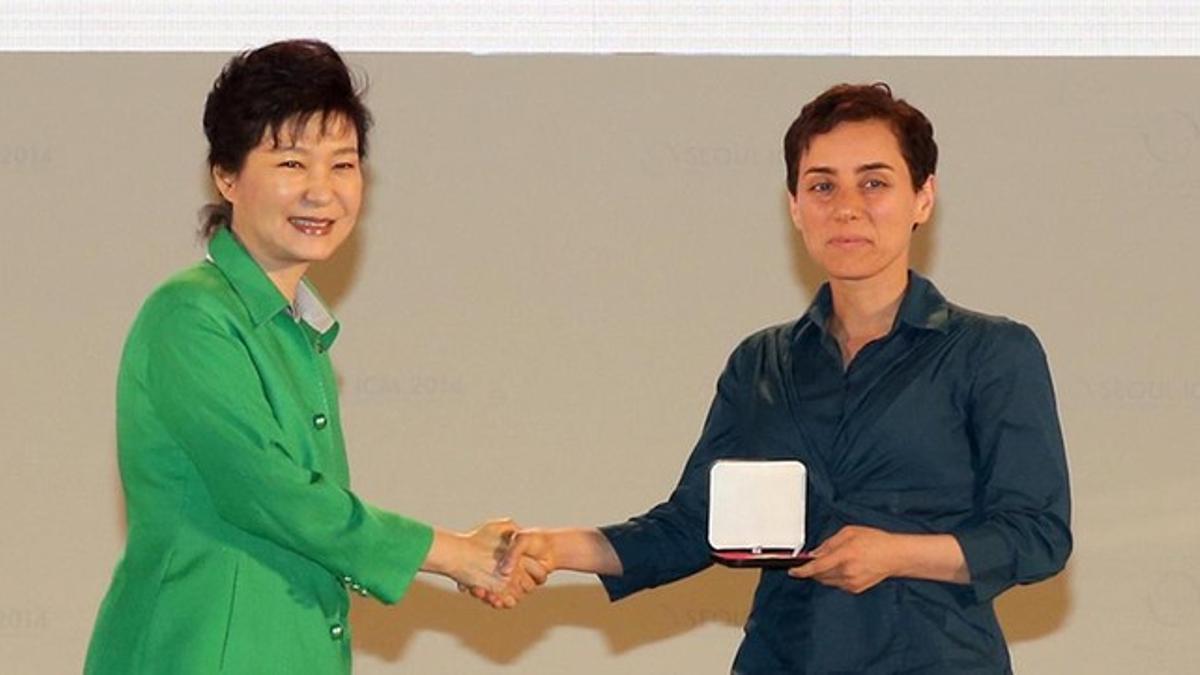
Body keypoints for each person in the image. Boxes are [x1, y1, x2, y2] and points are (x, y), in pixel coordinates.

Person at [497, 82, 1072, 673]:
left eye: (874, 182)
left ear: (923, 197)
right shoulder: (760, 363)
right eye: (822, 186)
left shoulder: (992, 352)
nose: (846, 206)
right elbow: (697, 523)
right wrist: (557, 547)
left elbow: (1037, 536)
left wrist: (895, 554)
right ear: (795, 206)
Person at [84, 40, 539, 675]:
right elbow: (271, 492)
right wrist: (450, 553)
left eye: (344, 165)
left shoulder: (299, 328)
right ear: (226, 174)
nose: (322, 193)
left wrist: (464, 554)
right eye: (292, 164)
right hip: (198, 652)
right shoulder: (189, 316)